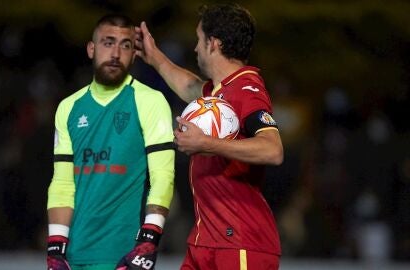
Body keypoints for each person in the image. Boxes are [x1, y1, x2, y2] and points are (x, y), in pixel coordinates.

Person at [136, 3, 284, 270]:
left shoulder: (246, 89)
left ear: (213, 43)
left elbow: (273, 150)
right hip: (207, 241)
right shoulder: (218, 93)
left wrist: (205, 143)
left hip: (240, 242)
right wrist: (154, 55)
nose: (195, 48)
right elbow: (189, 86)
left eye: (198, 39)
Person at [46, 14, 175, 270]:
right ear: (91, 49)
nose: (116, 53)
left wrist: (149, 240)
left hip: (124, 256)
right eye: (108, 42)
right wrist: (55, 249)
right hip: (74, 256)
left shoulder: (151, 101)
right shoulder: (68, 108)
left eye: (125, 45)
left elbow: (163, 176)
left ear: (134, 53)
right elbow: (62, 183)